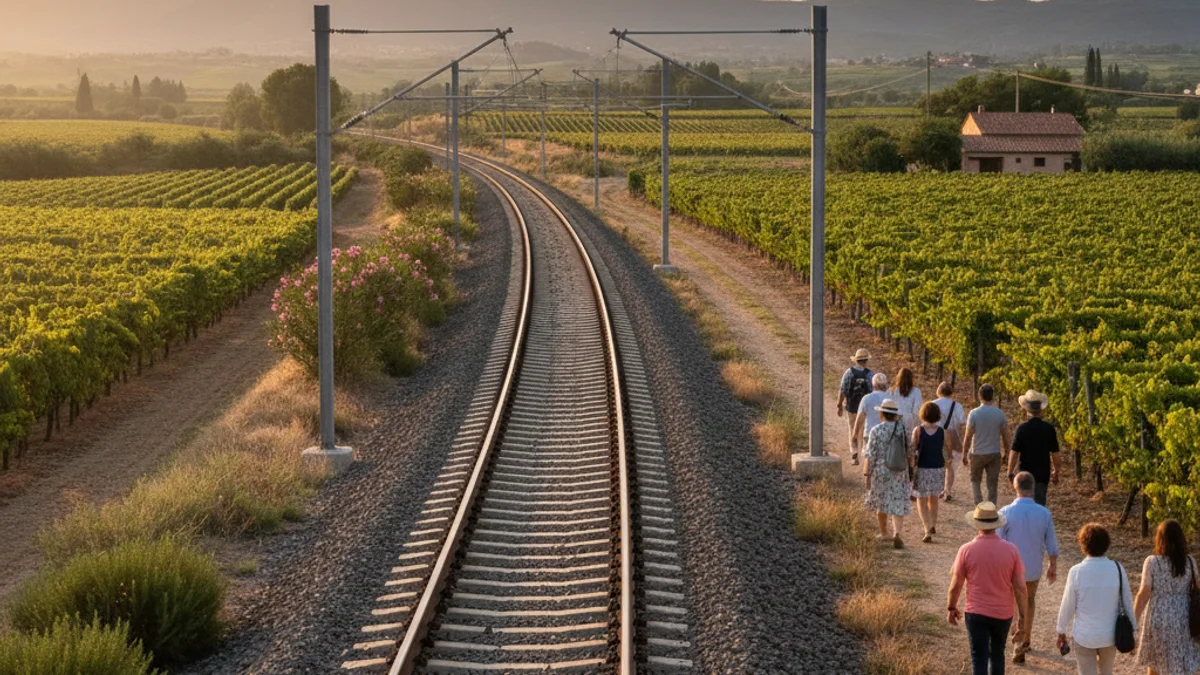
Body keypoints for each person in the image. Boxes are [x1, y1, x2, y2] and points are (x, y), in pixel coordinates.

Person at [947, 501, 1029, 675]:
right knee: (997, 654)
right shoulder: (1011, 550)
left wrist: (952, 607)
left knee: (979, 656)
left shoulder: (966, 550)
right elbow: (1021, 587)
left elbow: (955, 586)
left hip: (976, 612)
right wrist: (1022, 617)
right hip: (1003, 613)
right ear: (996, 524)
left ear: (977, 524)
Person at [1056, 524, 1136, 675]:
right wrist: (1133, 630)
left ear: (1083, 545)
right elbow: (1127, 601)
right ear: (1106, 544)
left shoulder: (1076, 571)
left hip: (1084, 635)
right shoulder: (1117, 568)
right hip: (1110, 635)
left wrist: (1061, 630)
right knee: (1107, 671)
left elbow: (1068, 605)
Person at [998, 472, 1059, 664]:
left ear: (1015, 487)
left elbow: (998, 542)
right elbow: (1051, 544)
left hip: (1011, 567)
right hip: (1033, 567)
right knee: (1029, 600)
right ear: (1032, 488)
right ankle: (1026, 639)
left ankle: (1018, 639)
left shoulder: (1005, 512)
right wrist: (1052, 565)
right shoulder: (1044, 513)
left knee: (1013, 602)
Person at [1134, 519, 1200, 675]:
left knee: (1155, 662)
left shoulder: (1152, 562)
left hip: (1158, 616)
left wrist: (1133, 619)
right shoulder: (1189, 562)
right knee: (1182, 660)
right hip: (1183, 617)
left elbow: (1144, 592)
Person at [862, 399, 912, 549]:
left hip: (881, 470)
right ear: (895, 415)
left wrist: (868, 474)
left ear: (882, 413)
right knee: (897, 501)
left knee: (881, 501)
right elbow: (909, 450)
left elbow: (871, 454)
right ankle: (897, 533)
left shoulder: (876, 430)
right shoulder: (902, 430)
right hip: (899, 470)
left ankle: (884, 533)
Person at [1007, 390, 1061, 507]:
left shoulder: (1021, 429)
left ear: (1026, 409)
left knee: (1024, 505)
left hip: (1025, 475)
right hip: (1042, 475)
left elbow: (1014, 452)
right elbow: (1055, 454)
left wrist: (1010, 471)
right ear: (1041, 410)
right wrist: (1056, 472)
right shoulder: (1049, 429)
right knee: (1039, 506)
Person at [963, 384, 1011, 506]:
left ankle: (979, 506)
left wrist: (964, 453)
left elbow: (968, 436)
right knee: (992, 484)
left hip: (977, 452)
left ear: (980, 396)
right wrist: (1007, 453)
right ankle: (991, 508)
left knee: (975, 480)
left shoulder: (974, 413)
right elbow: (1006, 436)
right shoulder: (1000, 414)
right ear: (992, 397)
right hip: (994, 453)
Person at [911, 401, 946, 543]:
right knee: (934, 498)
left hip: (923, 468)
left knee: (921, 499)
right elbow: (946, 449)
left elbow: (912, 449)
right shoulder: (941, 431)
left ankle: (927, 528)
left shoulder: (918, 430)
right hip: (938, 468)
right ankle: (933, 524)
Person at [838, 349, 874, 465]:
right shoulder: (870, 374)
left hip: (852, 406)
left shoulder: (849, 372)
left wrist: (839, 404)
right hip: (865, 408)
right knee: (863, 430)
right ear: (866, 360)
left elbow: (843, 389)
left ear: (856, 360)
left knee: (852, 429)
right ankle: (863, 452)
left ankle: (854, 453)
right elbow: (873, 391)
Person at [935, 381, 968, 502]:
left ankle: (939, 489)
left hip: (936, 435)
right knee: (950, 465)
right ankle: (947, 490)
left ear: (939, 391)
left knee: (938, 463)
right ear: (951, 393)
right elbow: (962, 423)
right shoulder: (957, 405)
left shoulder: (933, 404)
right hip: (953, 436)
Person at [852, 373, 889, 466]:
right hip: (887, 434)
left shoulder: (866, 398)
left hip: (869, 434)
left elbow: (860, 418)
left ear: (873, 385)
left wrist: (854, 435)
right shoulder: (891, 398)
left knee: (868, 461)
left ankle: (868, 475)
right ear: (886, 385)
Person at [891, 367, 924, 434]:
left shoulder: (892, 391)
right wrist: (917, 425)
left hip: (895, 420)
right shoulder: (916, 391)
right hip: (910, 421)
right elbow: (917, 409)